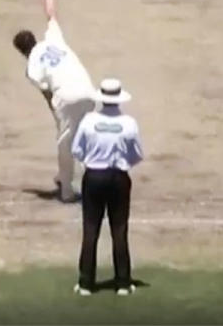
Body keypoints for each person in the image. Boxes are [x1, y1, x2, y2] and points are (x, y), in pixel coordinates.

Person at [13, 0, 95, 203]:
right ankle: (90, 182)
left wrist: (57, 113)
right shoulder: (53, 39)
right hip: (89, 90)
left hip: (65, 96)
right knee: (86, 138)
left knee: (65, 143)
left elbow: (47, 95)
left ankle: (67, 191)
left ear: (21, 51)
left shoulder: (31, 66)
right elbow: (51, 12)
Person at [71, 78, 143, 296]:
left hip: (93, 176)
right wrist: (121, 165)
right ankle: (122, 283)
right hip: (119, 177)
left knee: (90, 229)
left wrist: (91, 162)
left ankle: (86, 283)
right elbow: (137, 154)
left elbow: (77, 150)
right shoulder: (129, 123)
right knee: (119, 230)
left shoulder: (88, 121)